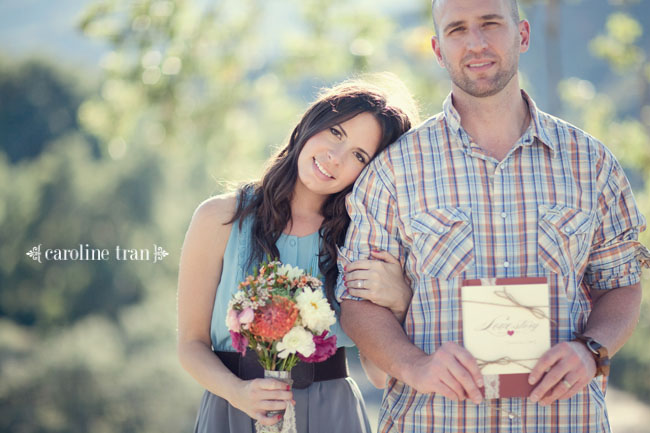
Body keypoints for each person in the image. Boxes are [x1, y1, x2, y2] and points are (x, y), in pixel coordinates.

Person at [337, 0, 650, 432]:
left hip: (564, 420)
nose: (476, 43)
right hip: (434, 421)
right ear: (438, 48)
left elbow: (621, 285)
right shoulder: (393, 171)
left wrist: (591, 350)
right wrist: (415, 367)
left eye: (490, 24)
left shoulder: (592, 163)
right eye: (458, 30)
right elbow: (357, 304)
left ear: (522, 35)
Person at [177, 75, 418, 433]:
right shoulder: (219, 219)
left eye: (358, 155)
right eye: (336, 132)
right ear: (310, 123)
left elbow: (381, 377)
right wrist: (238, 392)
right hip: (235, 411)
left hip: (332, 417)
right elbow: (190, 345)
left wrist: (400, 303)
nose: (335, 158)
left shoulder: (361, 241)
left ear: (369, 172)